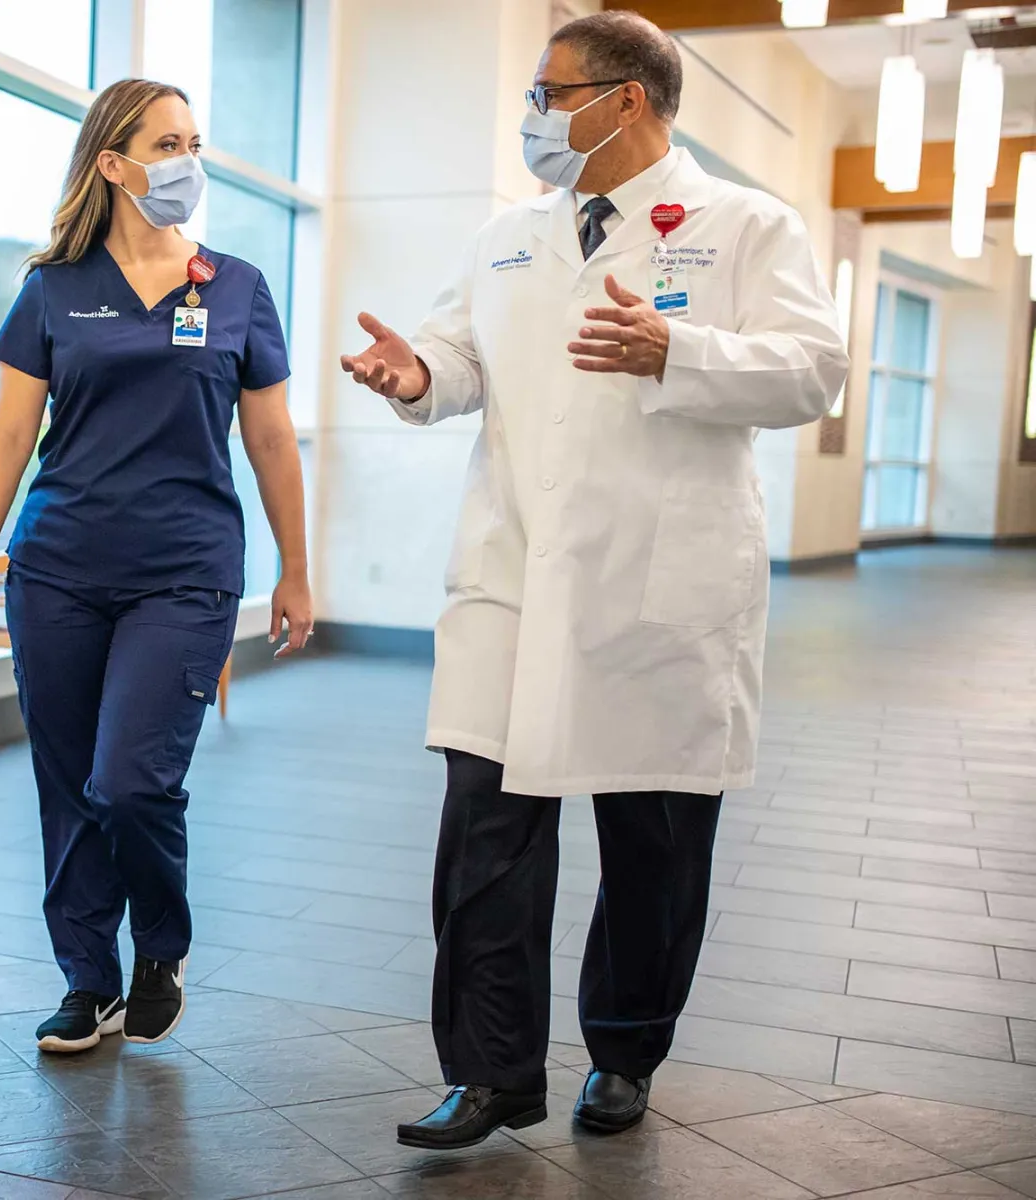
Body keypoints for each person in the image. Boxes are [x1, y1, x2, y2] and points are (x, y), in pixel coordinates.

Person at [340, 12, 848, 1148]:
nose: (533, 113)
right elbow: (460, 357)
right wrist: (414, 373)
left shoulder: (746, 226)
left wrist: (682, 352)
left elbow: (814, 370)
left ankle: (623, 1051)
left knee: (654, 844)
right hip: (513, 575)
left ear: (624, 99)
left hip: (659, 588)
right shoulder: (510, 234)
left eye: (549, 90)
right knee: (484, 834)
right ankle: (489, 1072)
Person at [0, 79, 312, 1054]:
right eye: (166, 142)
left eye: (194, 139)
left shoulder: (234, 286)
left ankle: (161, 946)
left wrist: (295, 569)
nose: (186, 158)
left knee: (129, 782)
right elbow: (11, 434)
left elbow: (272, 440)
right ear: (112, 163)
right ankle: (86, 985)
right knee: (67, 786)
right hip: (57, 570)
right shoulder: (52, 289)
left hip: (185, 571)